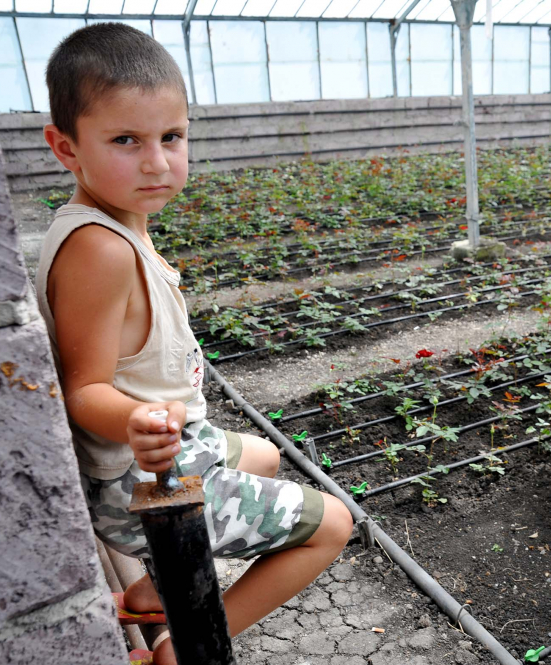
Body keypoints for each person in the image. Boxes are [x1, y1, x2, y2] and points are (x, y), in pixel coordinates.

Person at [35, 23, 352, 664]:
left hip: (160, 448)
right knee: (333, 525)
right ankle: (187, 645)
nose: (156, 161)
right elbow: (83, 390)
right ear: (64, 147)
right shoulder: (99, 250)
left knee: (261, 453)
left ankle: (152, 592)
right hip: (138, 482)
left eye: (171, 137)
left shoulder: (118, 223)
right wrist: (138, 419)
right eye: (126, 140)